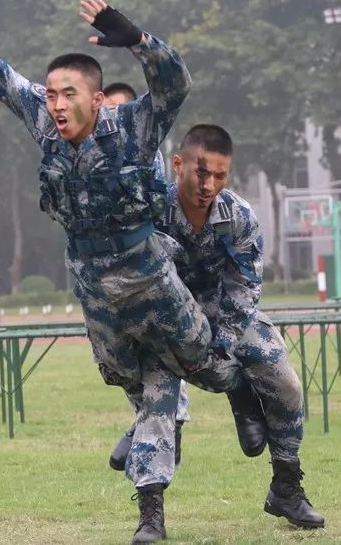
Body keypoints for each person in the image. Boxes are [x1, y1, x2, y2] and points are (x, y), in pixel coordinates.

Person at [0, 0, 257, 543]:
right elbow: (10, 84)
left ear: (96, 99)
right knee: (141, 387)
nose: (57, 104)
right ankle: (151, 515)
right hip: (96, 293)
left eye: (69, 94)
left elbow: (175, 86)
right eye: (53, 94)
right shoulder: (46, 125)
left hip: (151, 281)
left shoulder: (134, 126)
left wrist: (138, 40)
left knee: (206, 365)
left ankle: (240, 394)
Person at [158, 124, 324, 529]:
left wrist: (226, 340)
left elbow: (245, 285)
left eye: (220, 175)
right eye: (201, 172)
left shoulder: (239, 215)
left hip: (227, 311)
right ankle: (239, 393)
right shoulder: (150, 210)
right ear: (178, 164)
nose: (209, 184)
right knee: (182, 383)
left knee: (286, 383)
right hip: (169, 318)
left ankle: (286, 486)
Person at [100, 83, 191, 471]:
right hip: (110, 284)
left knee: (164, 358)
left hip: (154, 273)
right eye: (109, 111)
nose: (116, 119)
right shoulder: (92, 158)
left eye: (123, 110)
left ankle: (161, 428)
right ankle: (150, 422)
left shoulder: (145, 155)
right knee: (126, 366)